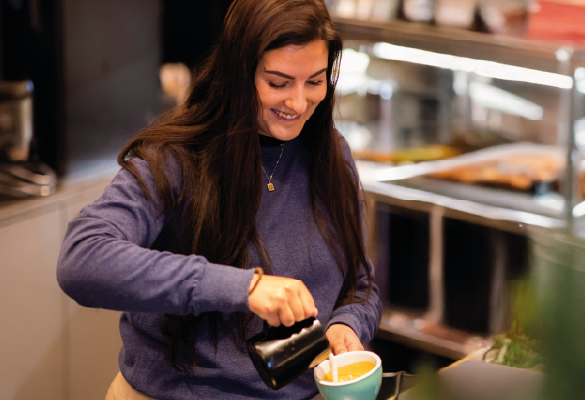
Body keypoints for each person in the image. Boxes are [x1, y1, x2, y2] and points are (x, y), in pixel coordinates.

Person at [56, 0, 381, 399]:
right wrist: (244, 288)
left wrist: (347, 325)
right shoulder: (176, 158)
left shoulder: (331, 153)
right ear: (237, 75)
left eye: (314, 81)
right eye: (278, 83)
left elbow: (361, 284)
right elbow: (81, 261)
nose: (298, 104)